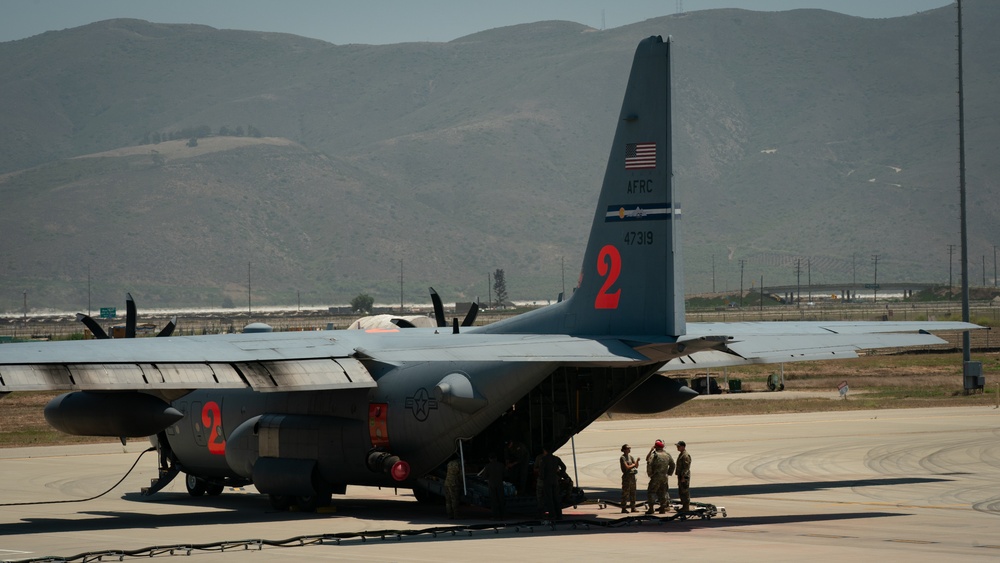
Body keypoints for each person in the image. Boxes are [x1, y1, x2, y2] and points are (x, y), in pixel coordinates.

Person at [645, 439, 675, 514]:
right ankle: (662, 508)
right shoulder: (667, 455)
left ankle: (651, 509)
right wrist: (669, 473)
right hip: (664, 477)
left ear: (656, 447)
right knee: (663, 492)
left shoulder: (654, 455)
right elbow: (672, 464)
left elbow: (649, 463)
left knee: (651, 492)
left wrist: (650, 474)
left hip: (656, 477)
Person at [538, 446, 567, 521]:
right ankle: (559, 515)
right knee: (556, 498)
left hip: (547, 481)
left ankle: (552, 515)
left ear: (545, 451)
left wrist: (542, 477)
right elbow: (563, 467)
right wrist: (560, 474)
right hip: (555, 480)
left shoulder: (544, 460)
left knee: (549, 498)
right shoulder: (556, 459)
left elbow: (541, 471)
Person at [484, 452, 507, 520]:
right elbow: (505, 475)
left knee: (494, 501)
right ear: (496, 458)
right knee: (501, 500)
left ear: (489, 459)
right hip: (500, 484)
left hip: (492, 485)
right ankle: (503, 515)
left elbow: (484, 476)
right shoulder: (501, 465)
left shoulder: (488, 466)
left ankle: (495, 516)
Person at [619, 444, 639, 513]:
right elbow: (626, 467)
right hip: (627, 477)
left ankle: (633, 507)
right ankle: (623, 508)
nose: (629, 449)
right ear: (624, 450)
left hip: (632, 476)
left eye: (629, 448)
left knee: (633, 492)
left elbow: (636, 466)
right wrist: (633, 465)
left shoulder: (630, 457)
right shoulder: (623, 458)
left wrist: (637, 461)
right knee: (625, 493)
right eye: (627, 448)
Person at [675, 441, 691, 512]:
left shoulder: (685, 455)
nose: (677, 447)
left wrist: (683, 477)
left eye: (679, 446)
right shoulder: (681, 454)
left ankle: (686, 507)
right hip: (681, 475)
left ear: (683, 446)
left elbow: (686, 467)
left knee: (685, 491)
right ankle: (684, 506)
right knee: (681, 491)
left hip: (684, 476)